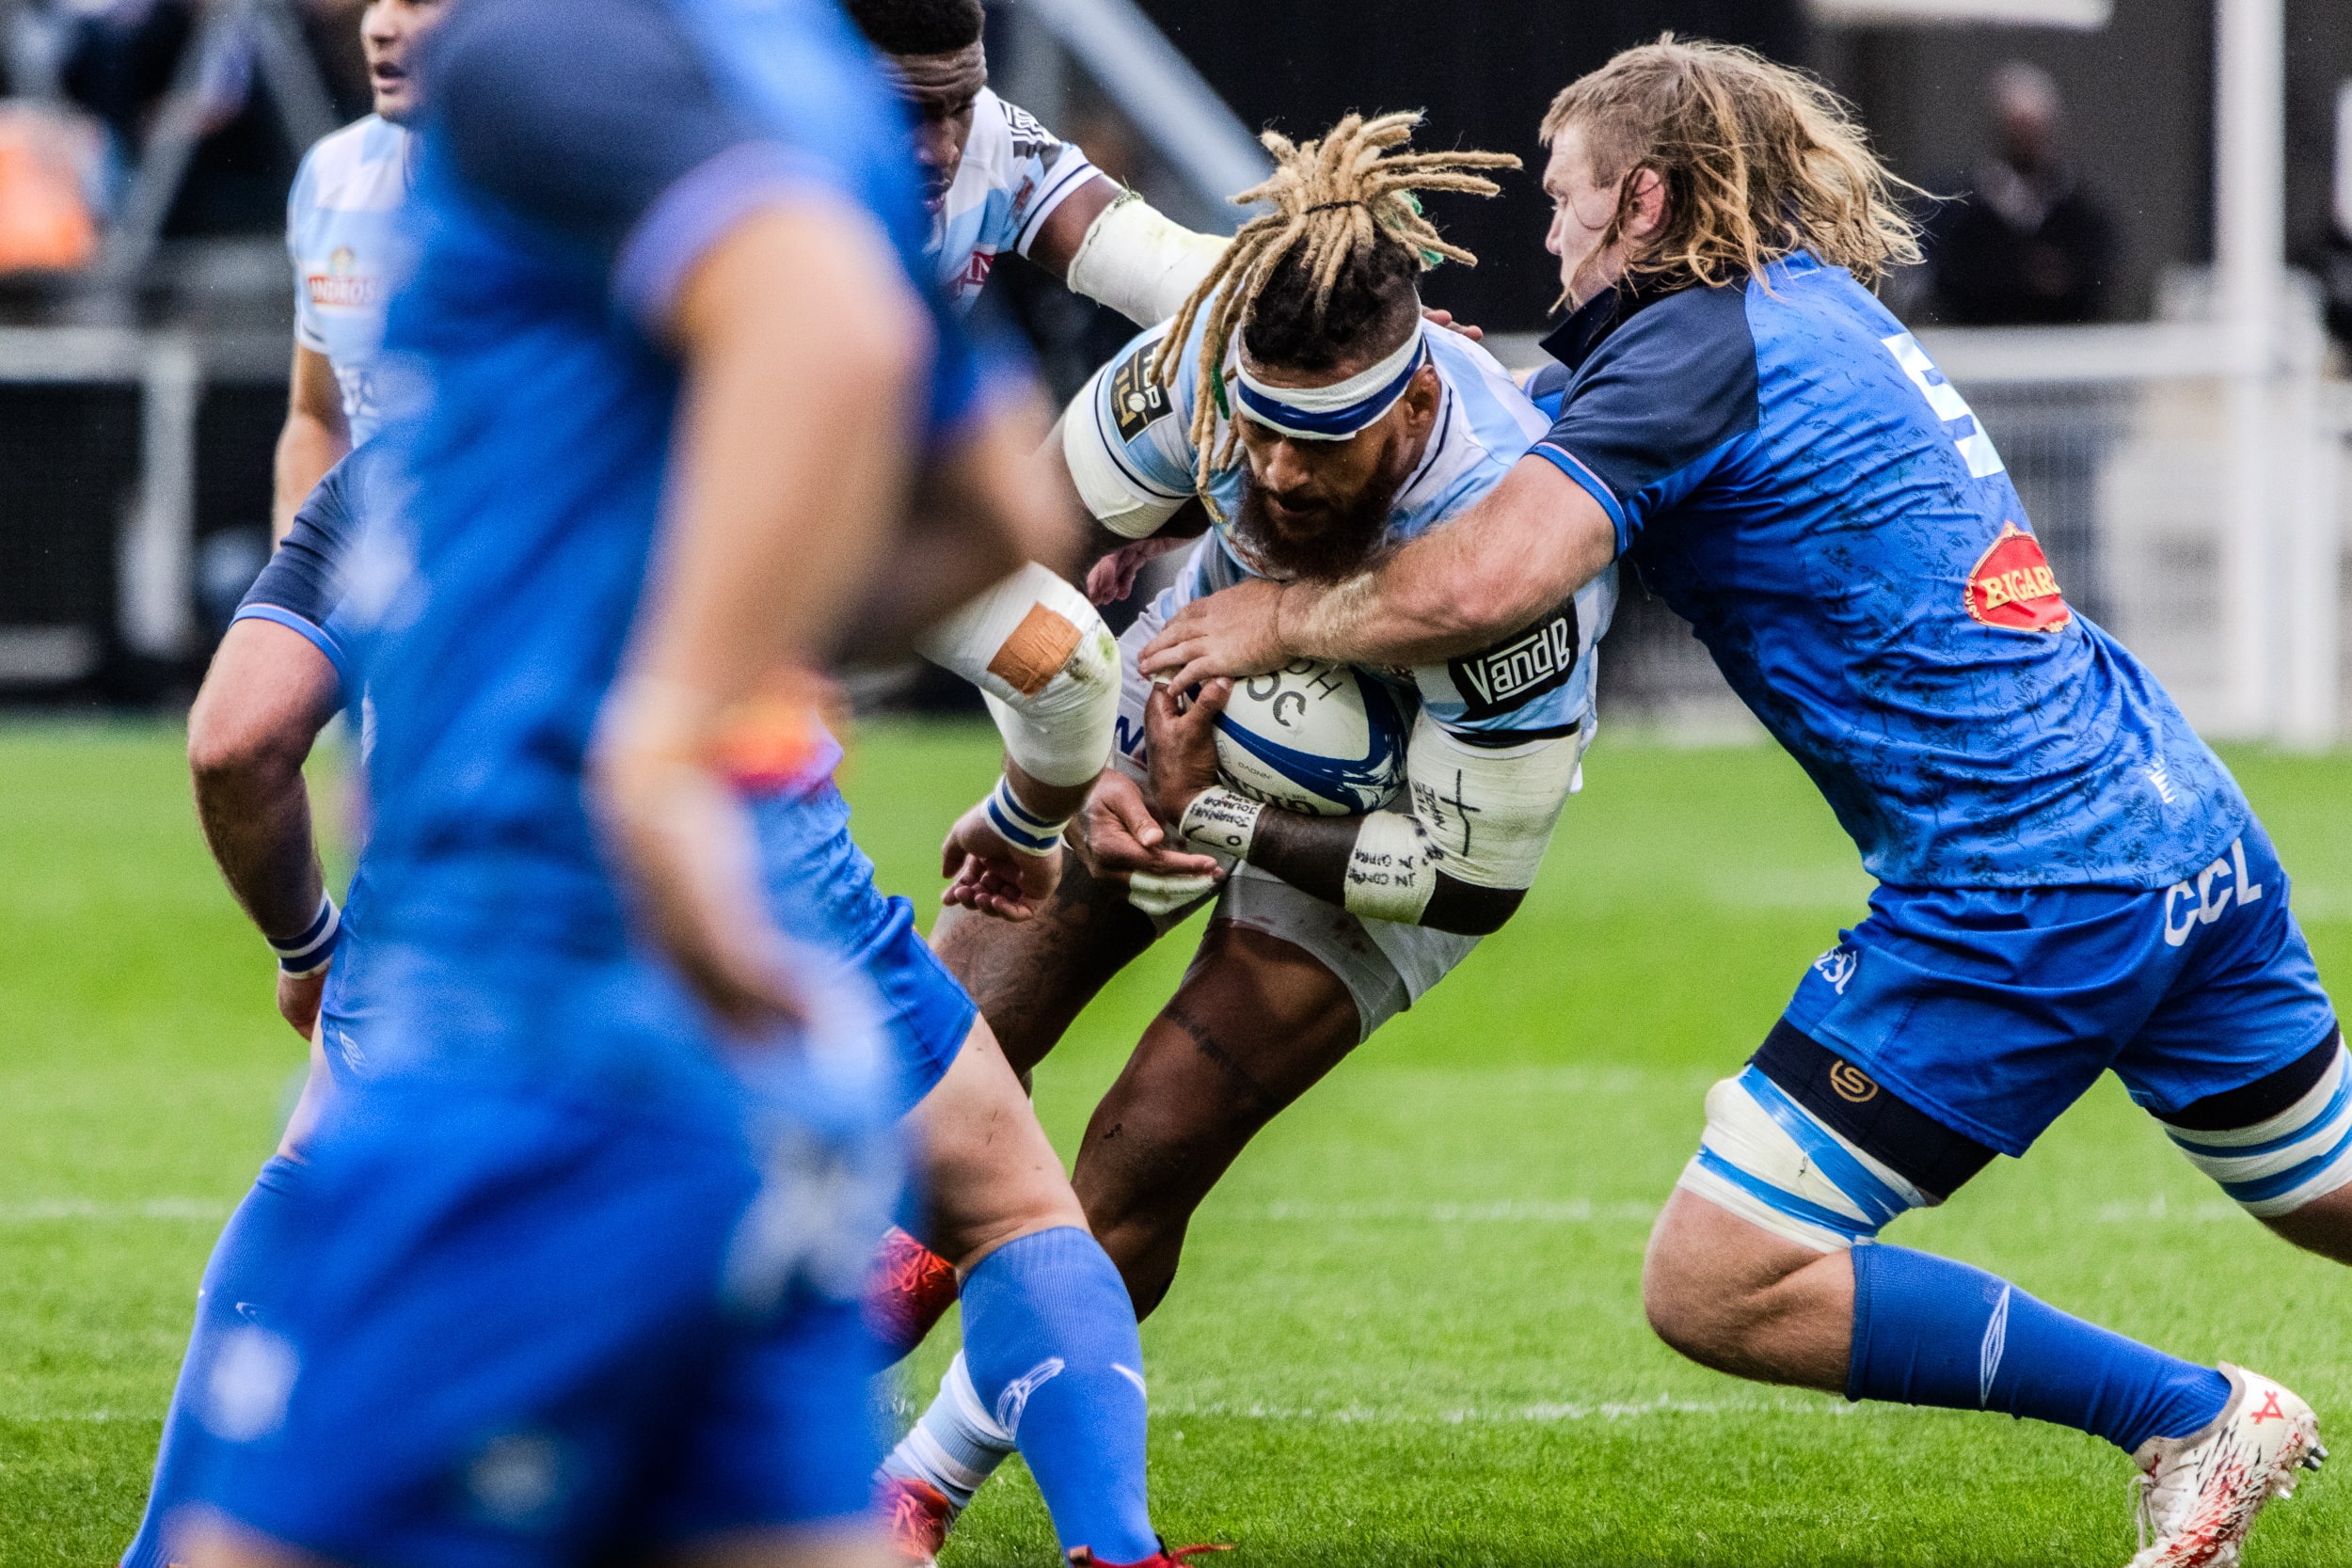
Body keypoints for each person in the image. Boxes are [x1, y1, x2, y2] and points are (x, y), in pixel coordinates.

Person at [1138, 39, 2339, 1567]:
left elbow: (1499, 570)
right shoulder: (1795, 306)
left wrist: (1272, 621)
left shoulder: (1681, 352)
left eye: (1566, 199)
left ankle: (2192, 1411)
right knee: (2325, 1189)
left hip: (2024, 886)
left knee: (1719, 1278)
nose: (1549, 234)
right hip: (2174, 817)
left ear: (1642, 198)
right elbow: (1552, 424)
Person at [156, 0, 981, 1561]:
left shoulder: (541, 60)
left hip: (528, 1022)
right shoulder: (812, 83)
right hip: (738, 1040)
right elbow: (990, 483)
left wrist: (655, 722)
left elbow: (830, 332)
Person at [874, 110, 1618, 1546]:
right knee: (930, 1058)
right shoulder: (1199, 374)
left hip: (1392, 826)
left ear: (1408, 412)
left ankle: (917, 1488)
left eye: (1323, 442)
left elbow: (1464, 885)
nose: (1276, 473)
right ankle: (783, 1365)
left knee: (1145, 1144)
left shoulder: (1505, 551)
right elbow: (994, 562)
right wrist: (1067, 761)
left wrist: (1214, 809)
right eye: (1262, 431)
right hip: (1185, 690)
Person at [275, 0, 446, 539]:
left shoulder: (572, 183)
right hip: (376, 568)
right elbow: (318, 418)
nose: (378, 27)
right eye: (374, 0)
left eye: (420, 2)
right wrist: (296, 598)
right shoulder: (331, 176)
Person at [1920, 61, 2114, 328]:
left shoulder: (2078, 211)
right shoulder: (1961, 209)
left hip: (2061, 350)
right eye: (2018, 129)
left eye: (2035, 128)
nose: (2028, 140)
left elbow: (2098, 282)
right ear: (1998, 130)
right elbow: (1948, 280)